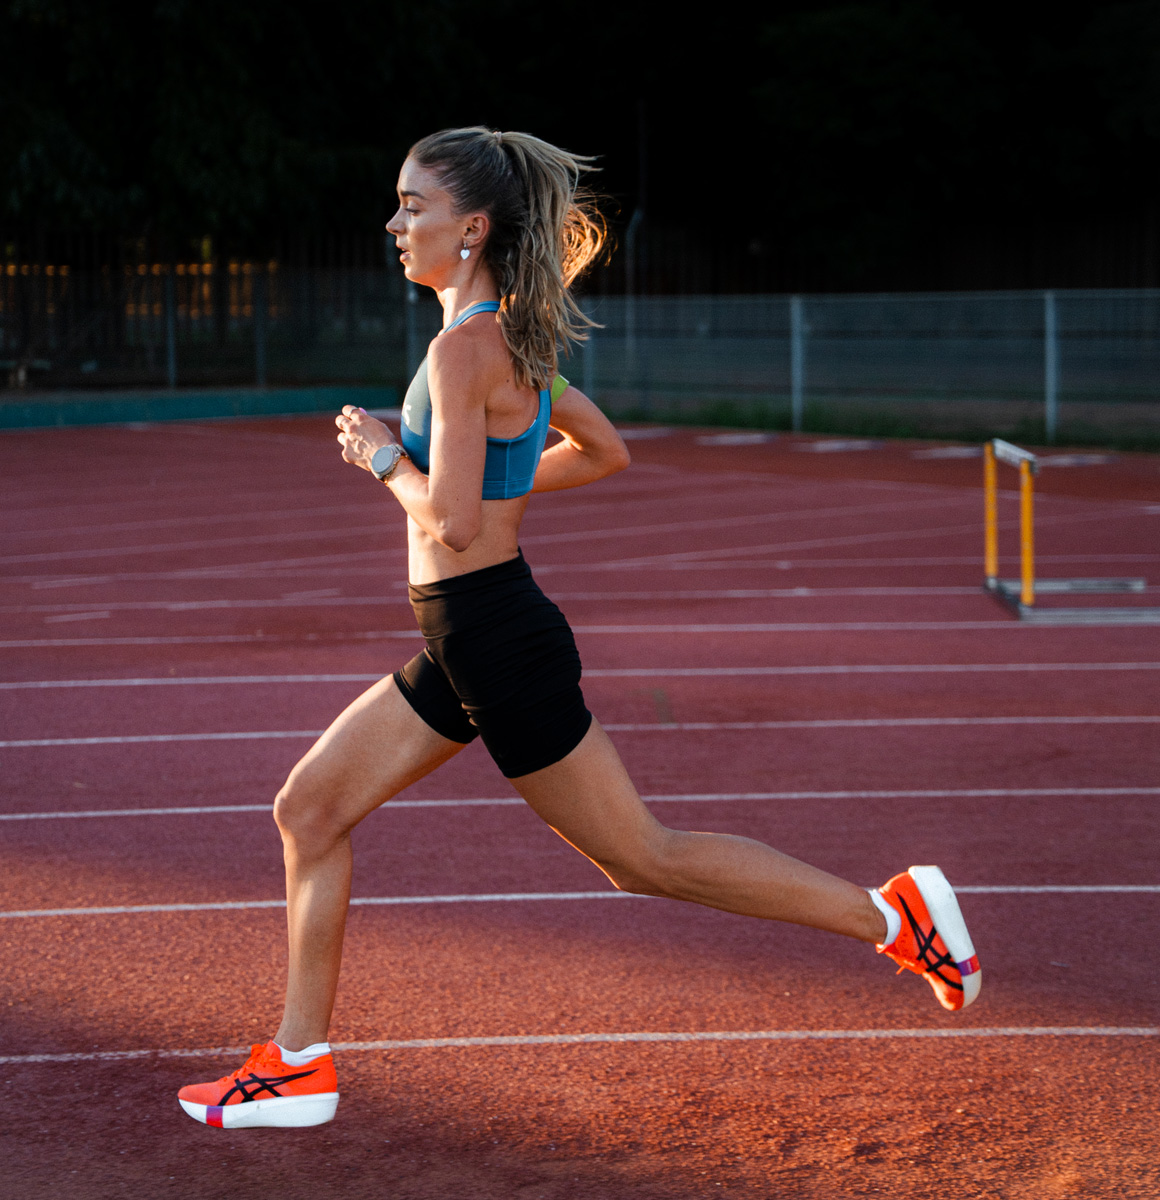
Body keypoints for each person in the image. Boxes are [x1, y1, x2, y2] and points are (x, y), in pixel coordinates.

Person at [178, 127, 981, 1130]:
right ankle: (299, 1064)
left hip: (494, 638)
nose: (394, 223)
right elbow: (600, 451)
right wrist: (483, 491)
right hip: (467, 636)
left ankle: (893, 918)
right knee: (309, 811)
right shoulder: (505, 337)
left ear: (470, 228)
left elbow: (455, 521)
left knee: (646, 858)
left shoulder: (464, 349)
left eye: (412, 206)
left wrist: (384, 458)